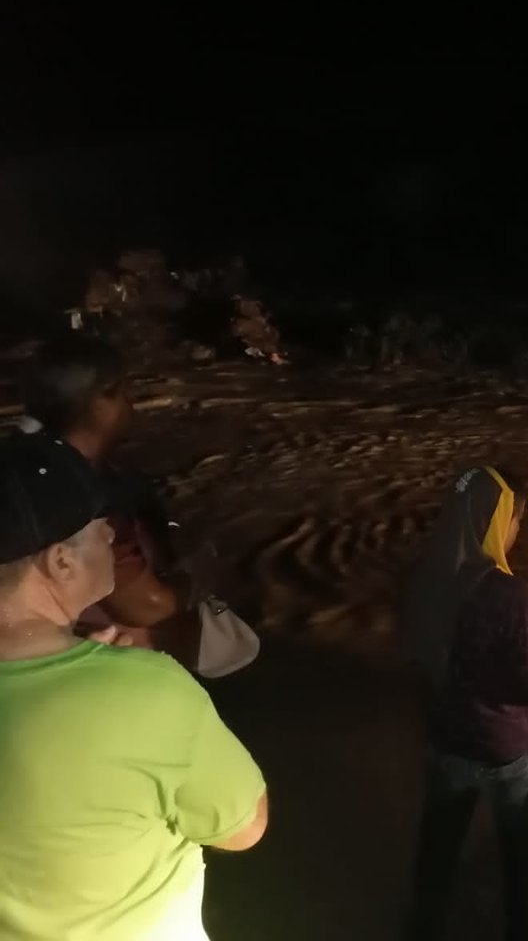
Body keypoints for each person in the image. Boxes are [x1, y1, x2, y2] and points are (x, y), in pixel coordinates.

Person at [0, 432, 267, 940]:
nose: (112, 537)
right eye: (102, 527)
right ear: (60, 561)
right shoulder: (150, 691)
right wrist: (117, 682)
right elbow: (243, 828)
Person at [400, 466, 528, 941]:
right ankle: (526, 929)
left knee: (438, 851)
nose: (517, 530)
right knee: (521, 853)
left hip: (447, 740)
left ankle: (424, 928)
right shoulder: (509, 594)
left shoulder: (424, 579)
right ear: (493, 522)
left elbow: (415, 657)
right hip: (504, 748)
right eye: (515, 519)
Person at [21, 333, 206, 669]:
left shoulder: (25, 466)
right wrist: (196, 579)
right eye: (123, 393)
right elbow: (146, 606)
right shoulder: (81, 493)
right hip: (95, 665)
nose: (129, 405)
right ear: (99, 403)